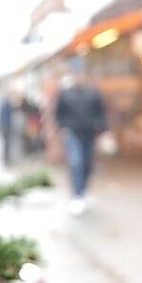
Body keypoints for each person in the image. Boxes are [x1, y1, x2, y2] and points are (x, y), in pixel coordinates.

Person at [54, 74, 107, 215]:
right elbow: (59, 113)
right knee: (76, 163)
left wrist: (101, 128)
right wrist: (63, 127)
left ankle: (83, 191)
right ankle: (77, 195)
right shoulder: (65, 94)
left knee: (87, 164)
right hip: (72, 134)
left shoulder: (92, 93)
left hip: (89, 134)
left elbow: (100, 112)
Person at [0, 92, 17, 166]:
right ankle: (6, 159)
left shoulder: (4, 104)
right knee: (6, 143)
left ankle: (5, 158)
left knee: (6, 143)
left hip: (5, 126)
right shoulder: (6, 104)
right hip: (6, 126)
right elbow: (5, 116)